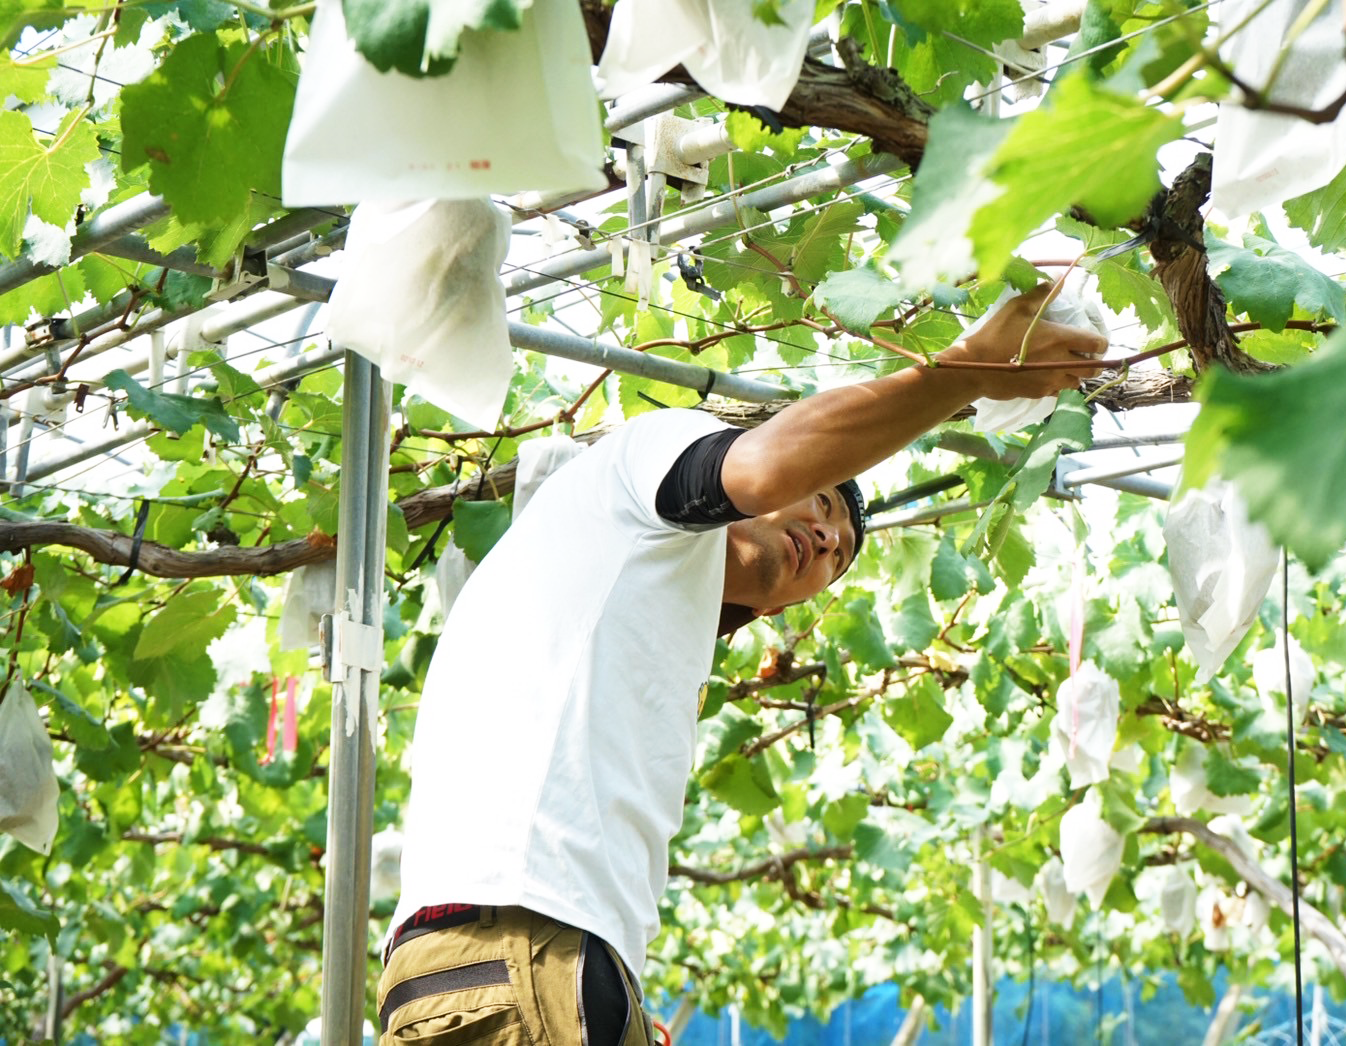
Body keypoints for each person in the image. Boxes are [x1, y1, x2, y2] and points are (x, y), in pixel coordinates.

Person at [376, 285, 1107, 1044]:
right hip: (521, 949)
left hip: (513, 960)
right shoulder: (641, 461)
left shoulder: (635, 604)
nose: (826, 540)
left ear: (778, 612)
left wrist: (602, 992)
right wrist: (963, 371)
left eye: (840, 555)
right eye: (821, 503)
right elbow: (757, 471)